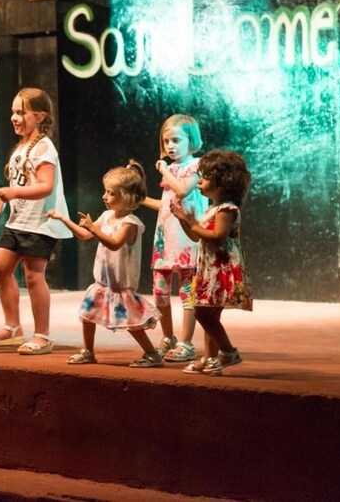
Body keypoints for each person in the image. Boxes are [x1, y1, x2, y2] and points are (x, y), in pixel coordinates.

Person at [0, 87, 72, 355]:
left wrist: (13, 193)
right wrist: (4, 196)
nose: (14, 117)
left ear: (40, 116)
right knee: (1, 267)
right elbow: (20, 181)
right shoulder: (23, 146)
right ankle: (13, 326)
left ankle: (42, 335)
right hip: (18, 220)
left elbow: (45, 186)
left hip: (39, 222)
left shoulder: (44, 147)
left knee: (34, 276)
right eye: (13, 112)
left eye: (21, 112)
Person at [48, 161, 163, 367]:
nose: (104, 196)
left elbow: (114, 244)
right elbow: (84, 235)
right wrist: (63, 219)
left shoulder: (130, 223)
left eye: (111, 193)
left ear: (126, 197)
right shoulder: (107, 216)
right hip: (102, 283)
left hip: (120, 285)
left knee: (132, 323)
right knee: (87, 316)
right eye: (106, 191)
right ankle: (88, 352)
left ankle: (152, 354)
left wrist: (93, 228)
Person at [170, 149, 252, 375]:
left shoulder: (227, 210)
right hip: (208, 269)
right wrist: (184, 220)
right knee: (209, 315)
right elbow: (197, 237)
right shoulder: (212, 208)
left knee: (202, 313)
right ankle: (210, 358)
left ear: (222, 183)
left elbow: (217, 237)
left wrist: (192, 223)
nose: (199, 182)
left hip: (220, 269)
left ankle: (228, 351)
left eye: (205, 178)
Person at [140, 114, 208, 363]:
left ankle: (186, 342)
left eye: (176, 140)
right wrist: (140, 200)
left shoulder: (196, 166)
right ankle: (168, 336)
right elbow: (167, 204)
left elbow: (183, 190)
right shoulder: (171, 170)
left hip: (188, 238)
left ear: (192, 141)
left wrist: (166, 171)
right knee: (160, 292)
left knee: (188, 292)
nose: (170, 146)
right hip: (165, 240)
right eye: (166, 141)